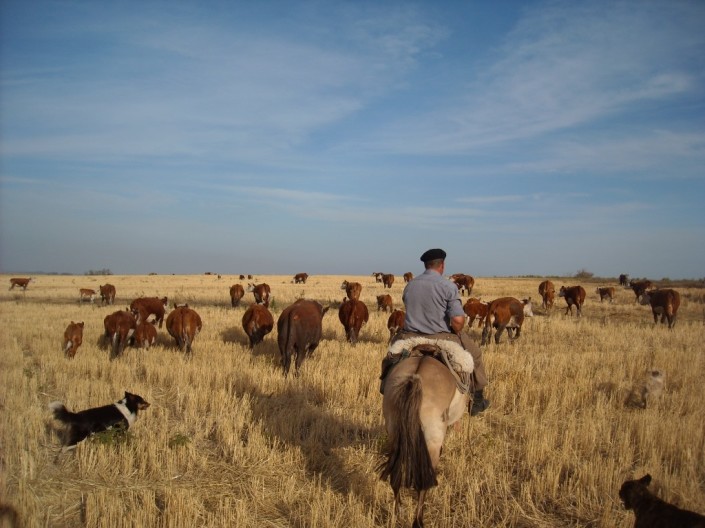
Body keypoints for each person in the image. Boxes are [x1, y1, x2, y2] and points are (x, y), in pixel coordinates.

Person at [392, 248, 489, 416]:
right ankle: (477, 400)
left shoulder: (410, 285)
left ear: (425, 265)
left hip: (410, 336)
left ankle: (385, 386)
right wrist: (456, 329)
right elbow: (458, 321)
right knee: (476, 354)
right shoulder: (448, 286)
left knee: (390, 358)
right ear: (442, 265)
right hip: (441, 337)